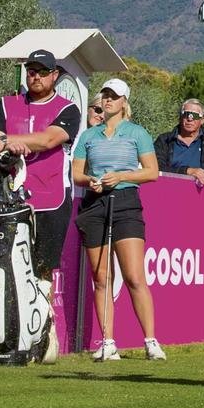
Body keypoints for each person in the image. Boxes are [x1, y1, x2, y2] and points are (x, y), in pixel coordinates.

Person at [0, 49, 81, 365]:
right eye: (31, 70)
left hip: (50, 200)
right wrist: (3, 143)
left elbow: (50, 139)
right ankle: (11, 336)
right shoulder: (6, 104)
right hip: (9, 202)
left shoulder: (68, 108)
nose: (35, 75)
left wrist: (8, 140)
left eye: (42, 71)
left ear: (54, 75)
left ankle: (42, 337)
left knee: (40, 273)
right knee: (7, 269)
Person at [71, 79, 166, 362]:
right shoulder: (89, 136)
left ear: (125, 102)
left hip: (126, 203)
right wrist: (91, 180)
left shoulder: (138, 133)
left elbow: (151, 172)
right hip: (95, 204)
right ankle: (108, 342)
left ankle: (150, 341)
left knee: (134, 276)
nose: (109, 100)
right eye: (106, 95)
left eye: (115, 96)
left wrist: (121, 176)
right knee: (101, 278)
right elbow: (77, 174)